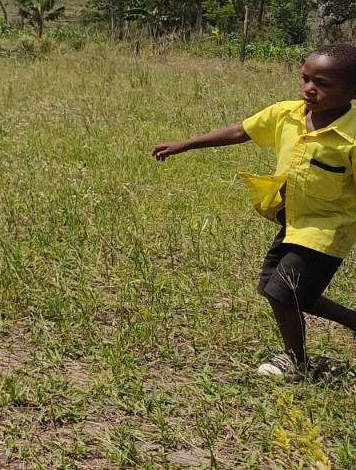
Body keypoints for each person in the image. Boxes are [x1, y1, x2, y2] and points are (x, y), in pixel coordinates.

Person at [152, 45, 356, 378]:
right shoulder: (287, 114)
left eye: (322, 83)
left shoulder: (351, 136)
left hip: (328, 230)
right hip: (292, 221)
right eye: (305, 79)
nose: (309, 89)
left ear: (352, 90)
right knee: (277, 288)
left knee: (283, 291)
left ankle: (295, 361)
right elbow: (241, 131)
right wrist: (184, 144)